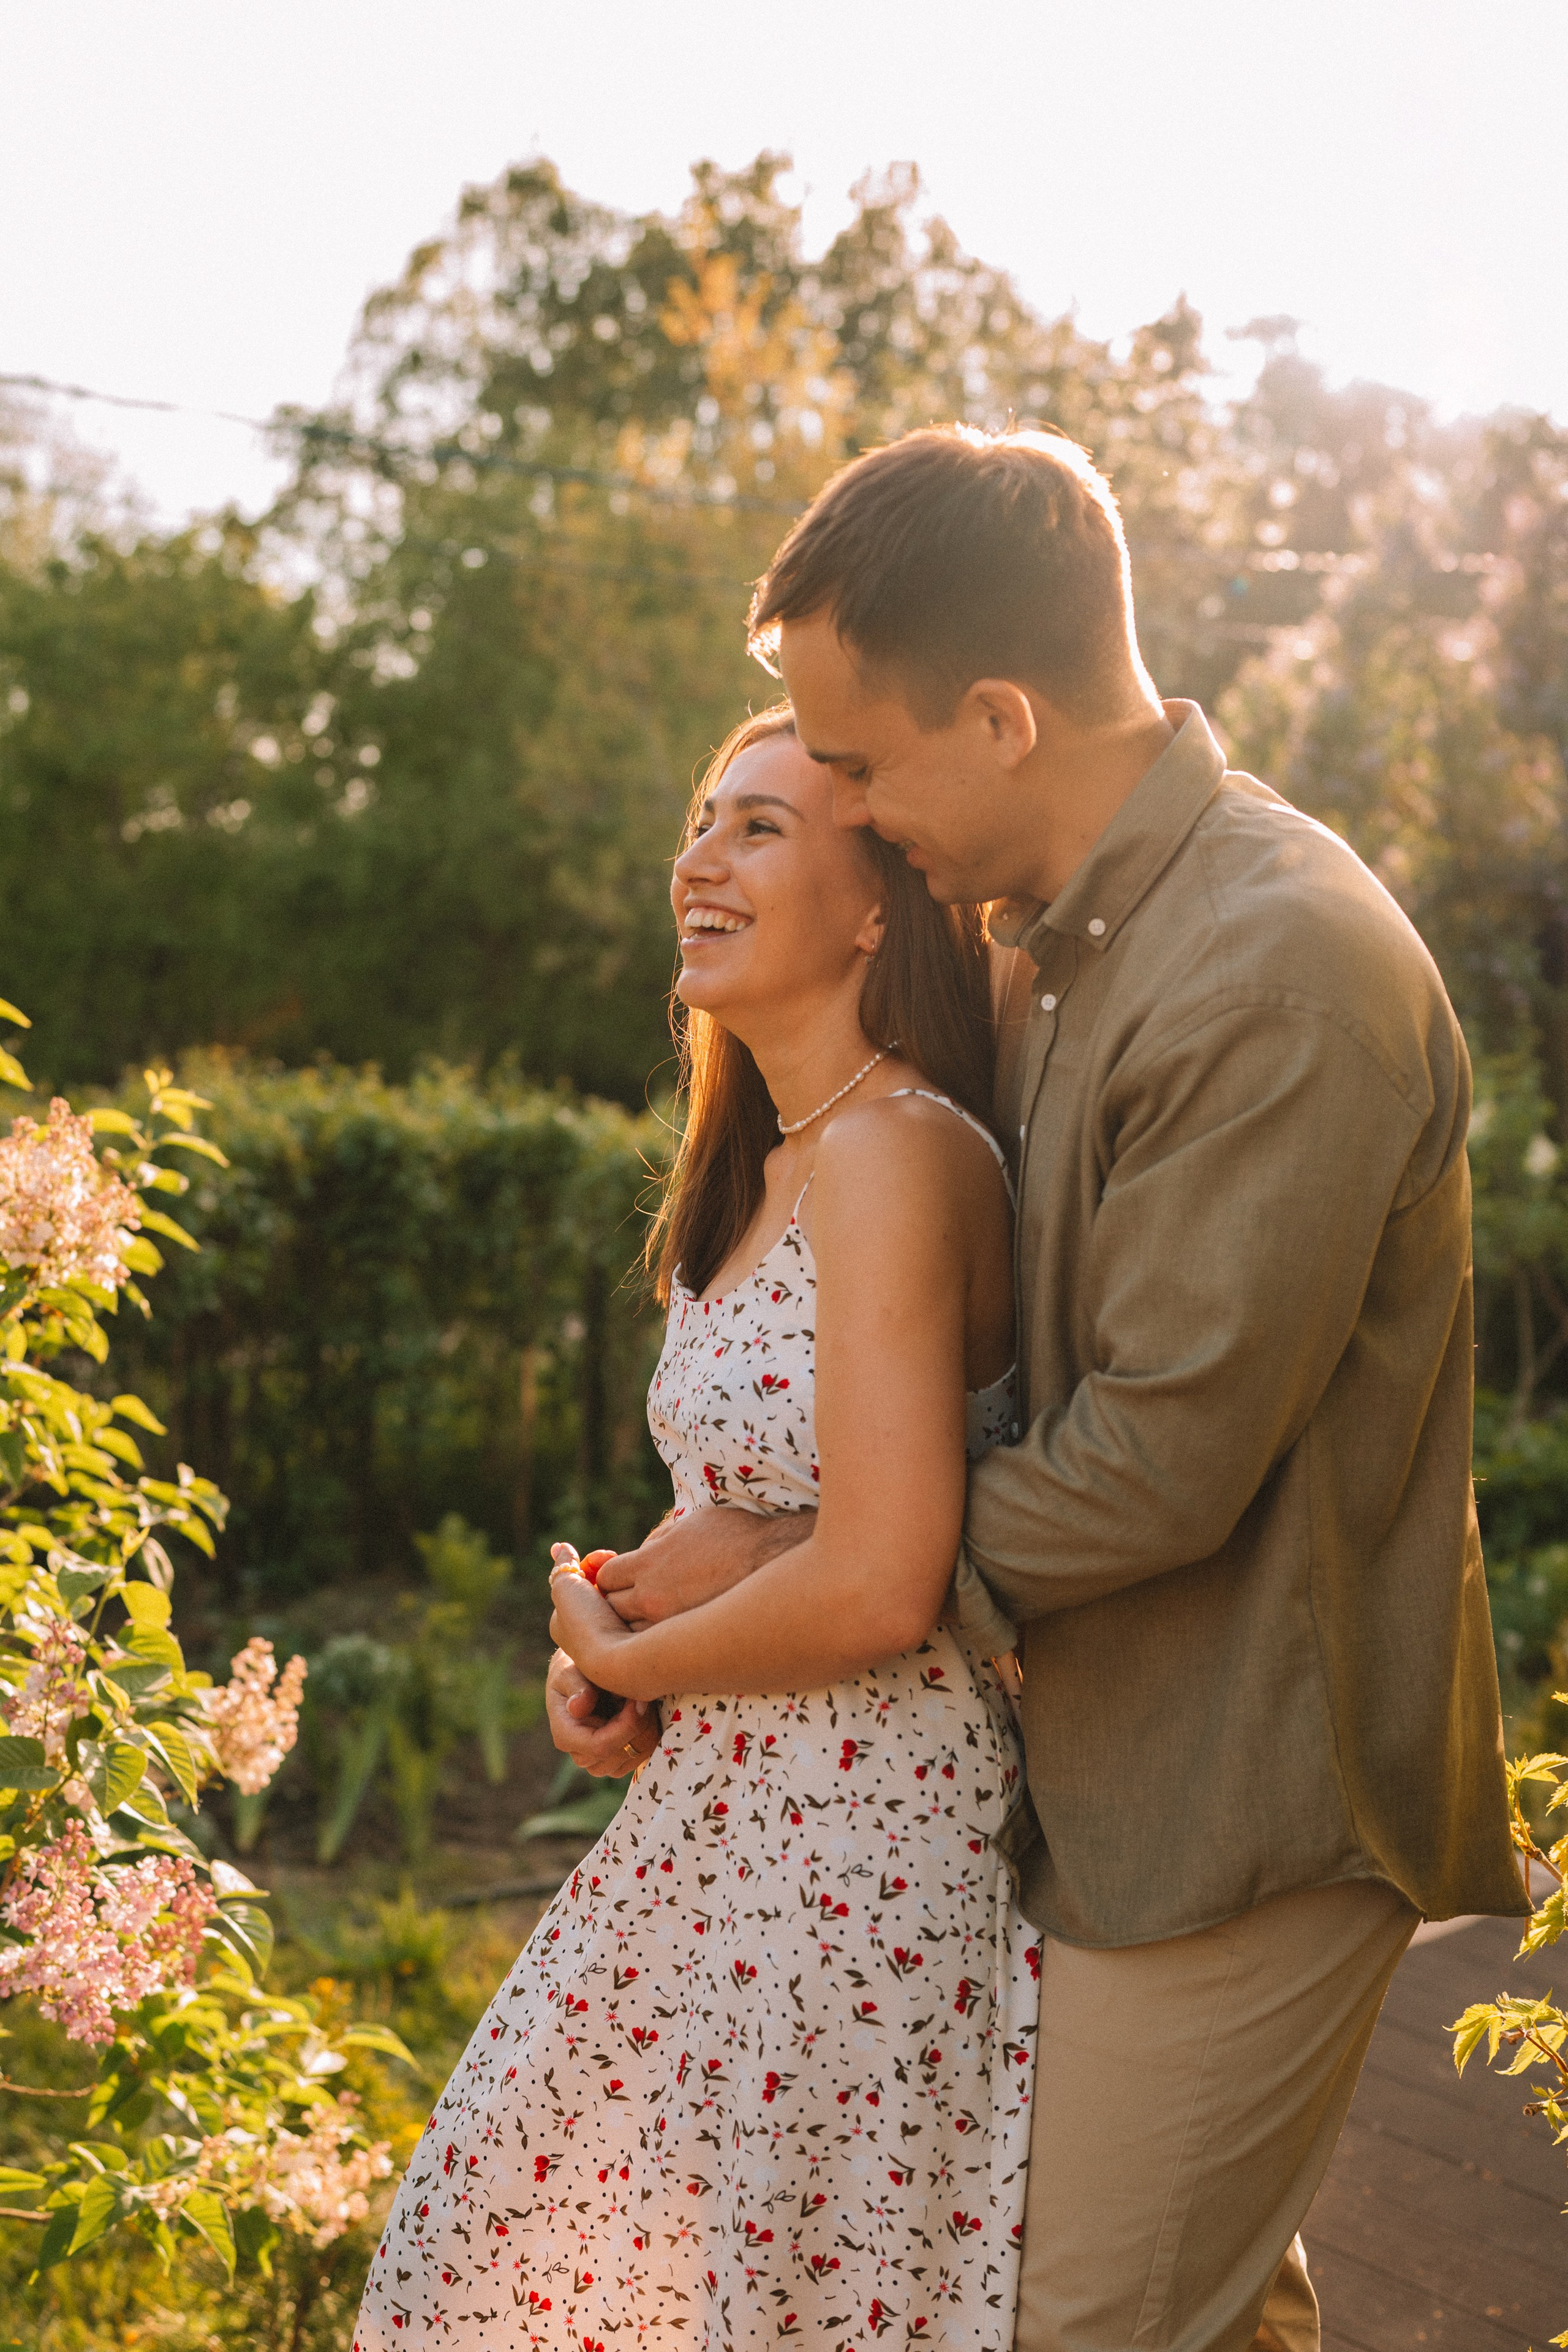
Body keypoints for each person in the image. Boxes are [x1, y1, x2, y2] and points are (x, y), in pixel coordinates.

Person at [552, 426, 1527, 2352]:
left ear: (1000, 718)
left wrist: (796, 1560)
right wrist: (727, 1592)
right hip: (1066, 1777)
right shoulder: (1046, 948)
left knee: (1081, 2322)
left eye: (859, 764)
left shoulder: (1274, 971)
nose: (845, 805)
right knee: (1192, 2314)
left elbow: (1151, 1468)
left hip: (1237, 1799)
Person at [354, 706, 1042, 2352]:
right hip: (727, 1817)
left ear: (876, 907)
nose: (698, 861)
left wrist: (630, 1649)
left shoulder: (900, 1152)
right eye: (702, 821)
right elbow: (752, 1515)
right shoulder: (762, 1172)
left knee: (756, 2297)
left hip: (866, 1846)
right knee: (512, 2260)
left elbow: (878, 1581)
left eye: (759, 828)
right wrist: (627, 1652)